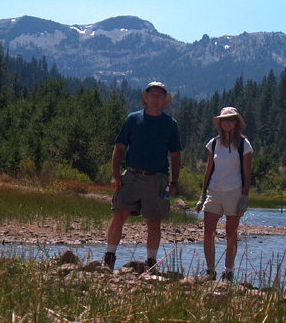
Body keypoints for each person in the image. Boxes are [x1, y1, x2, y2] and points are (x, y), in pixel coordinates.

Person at [103, 81, 182, 271]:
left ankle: (150, 262)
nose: (155, 98)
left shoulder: (170, 124)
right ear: (146, 97)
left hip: (158, 178)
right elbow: (119, 147)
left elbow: (176, 154)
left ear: (164, 100)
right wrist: (115, 175)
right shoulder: (133, 119)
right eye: (152, 94)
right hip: (132, 175)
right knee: (119, 214)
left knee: (154, 221)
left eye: (159, 95)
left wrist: (174, 182)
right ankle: (109, 257)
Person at [195, 107, 253, 281]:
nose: (227, 123)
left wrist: (244, 197)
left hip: (234, 192)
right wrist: (202, 195)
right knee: (208, 232)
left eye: (231, 119)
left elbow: (247, 173)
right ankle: (210, 270)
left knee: (231, 233)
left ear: (236, 122)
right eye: (224, 120)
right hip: (214, 191)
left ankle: (228, 271)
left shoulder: (244, 145)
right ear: (220, 123)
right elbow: (208, 170)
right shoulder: (214, 143)